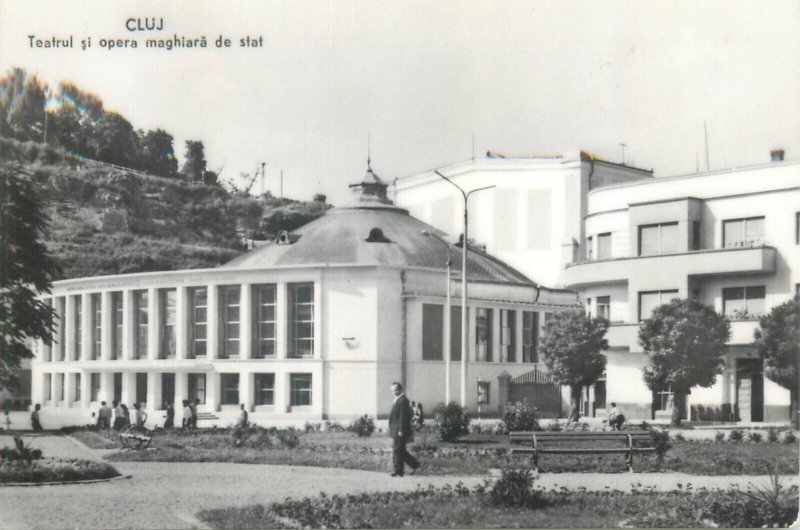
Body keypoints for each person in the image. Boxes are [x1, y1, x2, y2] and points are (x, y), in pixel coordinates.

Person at [388, 382, 420, 477]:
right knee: (400, 450)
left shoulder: (403, 400)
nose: (394, 392)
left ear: (401, 389)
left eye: (396, 390)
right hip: (396, 429)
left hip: (399, 430)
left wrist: (401, 429)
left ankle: (398, 471)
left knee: (397, 450)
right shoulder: (397, 400)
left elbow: (403, 417)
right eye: (393, 390)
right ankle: (414, 465)